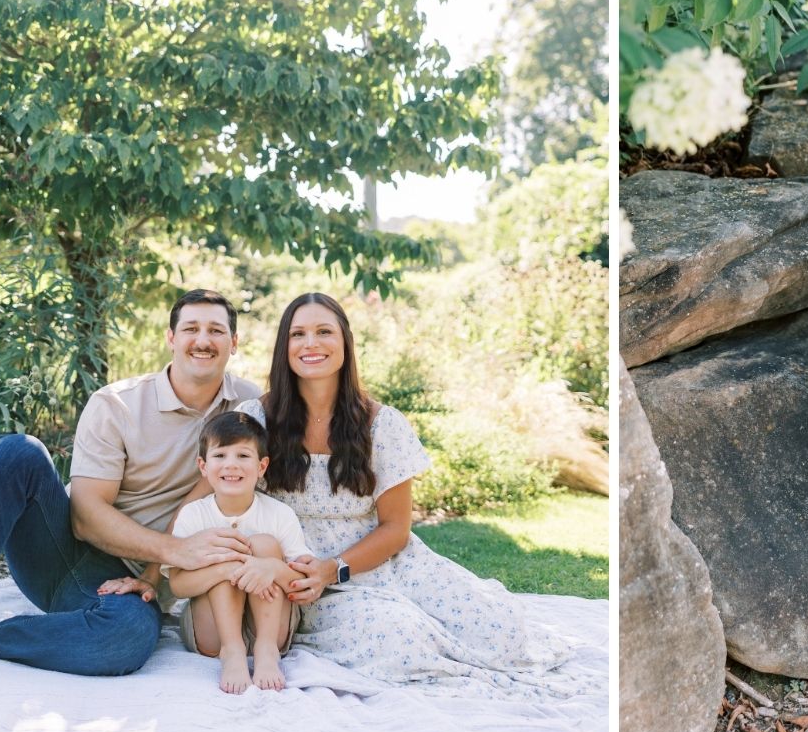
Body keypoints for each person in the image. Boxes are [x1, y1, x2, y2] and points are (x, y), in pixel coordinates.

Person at [0, 289, 262, 697]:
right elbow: (85, 517)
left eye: (216, 330)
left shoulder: (248, 407)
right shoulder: (118, 405)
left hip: (133, 583)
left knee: (125, 638)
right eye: (191, 328)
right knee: (18, 452)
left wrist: (152, 572)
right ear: (171, 338)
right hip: (62, 551)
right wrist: (173, 552)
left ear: (234, 343)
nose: (203, 340)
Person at [242, 292, 591, 698]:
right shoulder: (256, 419)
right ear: (284, 345)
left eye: (324, 332)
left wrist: (333, 566)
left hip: (377, 561)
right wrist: (311, 573)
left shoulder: (381, 424)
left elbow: (395, 529)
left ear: (345, 343)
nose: (311, 344)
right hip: (306, 579)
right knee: (404, 640)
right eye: (298, 334)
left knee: (503, 631)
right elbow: (222, 499)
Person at [161, 411, 309, 694]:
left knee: (264, 544)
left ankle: (266, 651)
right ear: (203, 466)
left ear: (262, 466)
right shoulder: (194, 515)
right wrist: (225, 569)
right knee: (225, 548)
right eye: (220, 456)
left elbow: (301, 582)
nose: (231, 465)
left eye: (243, 456)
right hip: (213, 634)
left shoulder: (279, 514)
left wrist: (271, 569)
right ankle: (232, 652)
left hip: (269, 628)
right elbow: (177, 585)